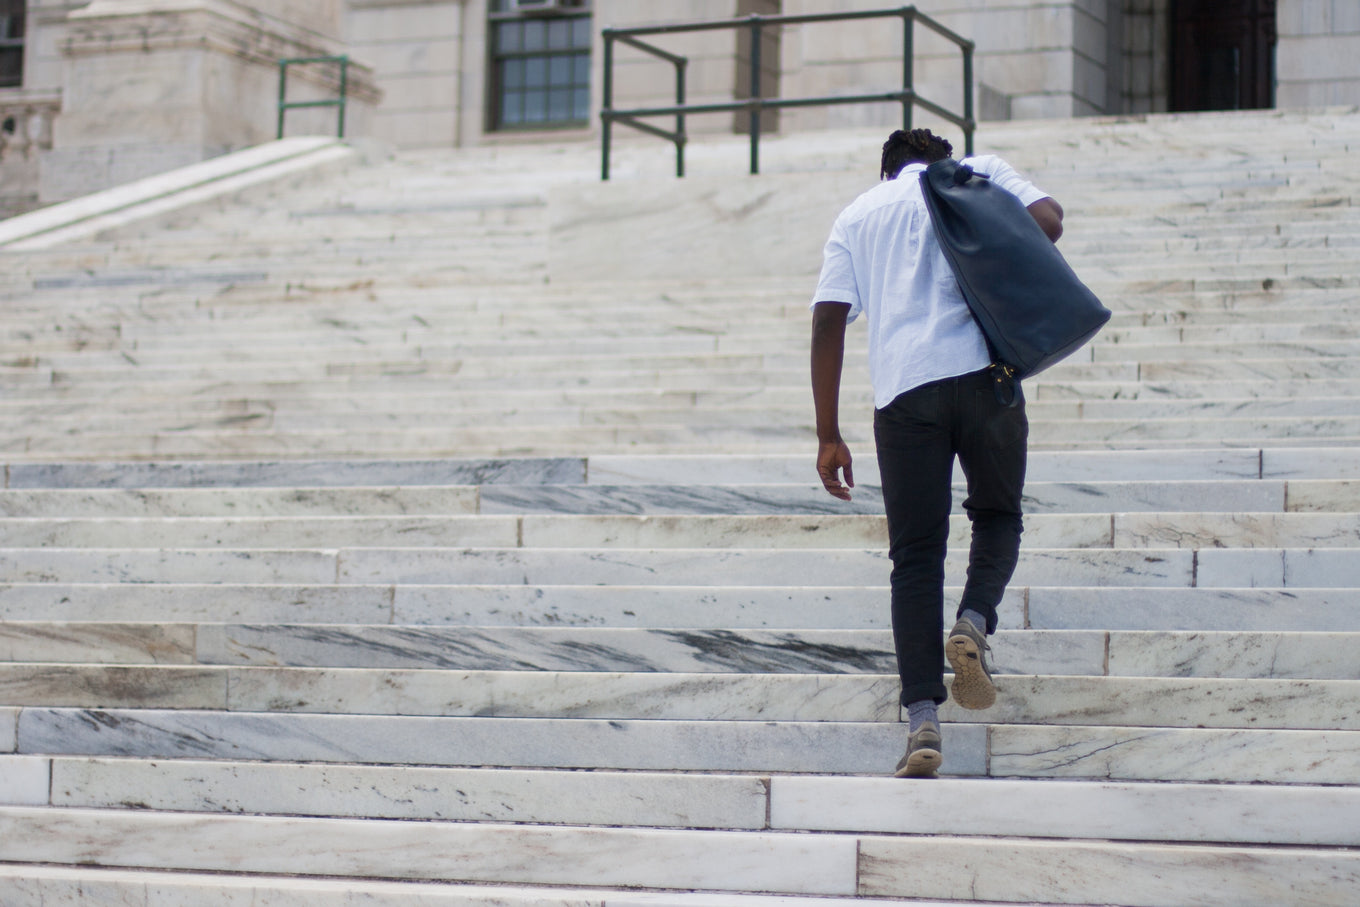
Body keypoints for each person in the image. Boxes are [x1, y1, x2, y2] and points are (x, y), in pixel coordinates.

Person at [809, 128, 1063, 778]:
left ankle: (923, 718)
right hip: (986, 376)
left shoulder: (859, 214)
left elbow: (828, 320)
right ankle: (974, 620)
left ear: (887, 169)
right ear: (939, 163)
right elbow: (1049, 220)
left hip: (903, 396)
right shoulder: (972, 174)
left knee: (914, 557)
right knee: (998, 514)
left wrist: (828, 433)